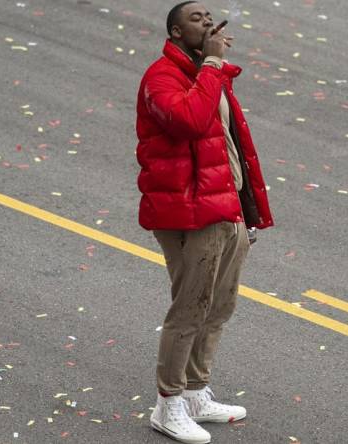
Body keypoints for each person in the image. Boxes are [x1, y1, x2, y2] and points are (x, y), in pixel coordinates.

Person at [135, 2, 274, 443]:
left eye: (209, 16)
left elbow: (233, 144)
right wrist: (213, 63)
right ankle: (168, 404)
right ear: (176, 33)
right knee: (190, 307)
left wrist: (245, 209)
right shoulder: (162, 77)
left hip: (224, 208)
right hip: (188, 213)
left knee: (220, 306)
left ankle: (196, 392)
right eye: (196, 19)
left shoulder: (209, 76)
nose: (207, 22)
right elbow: (190, 123)